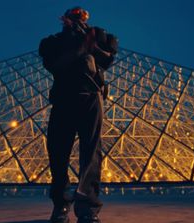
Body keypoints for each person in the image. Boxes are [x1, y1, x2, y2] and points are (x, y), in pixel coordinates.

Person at [38, 6, 118, 223]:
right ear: (64, 20)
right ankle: (61, 206)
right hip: (64, 98)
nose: (80, 20)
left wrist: (93, 44)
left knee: (91, 155)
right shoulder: (53, 41)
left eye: (83, 17)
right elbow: (54, 64)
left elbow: (108, 58)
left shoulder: (98, 36)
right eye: (75, 17)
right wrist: (82, 46)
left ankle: (87, 209)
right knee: (57, 153)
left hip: (91, 97)